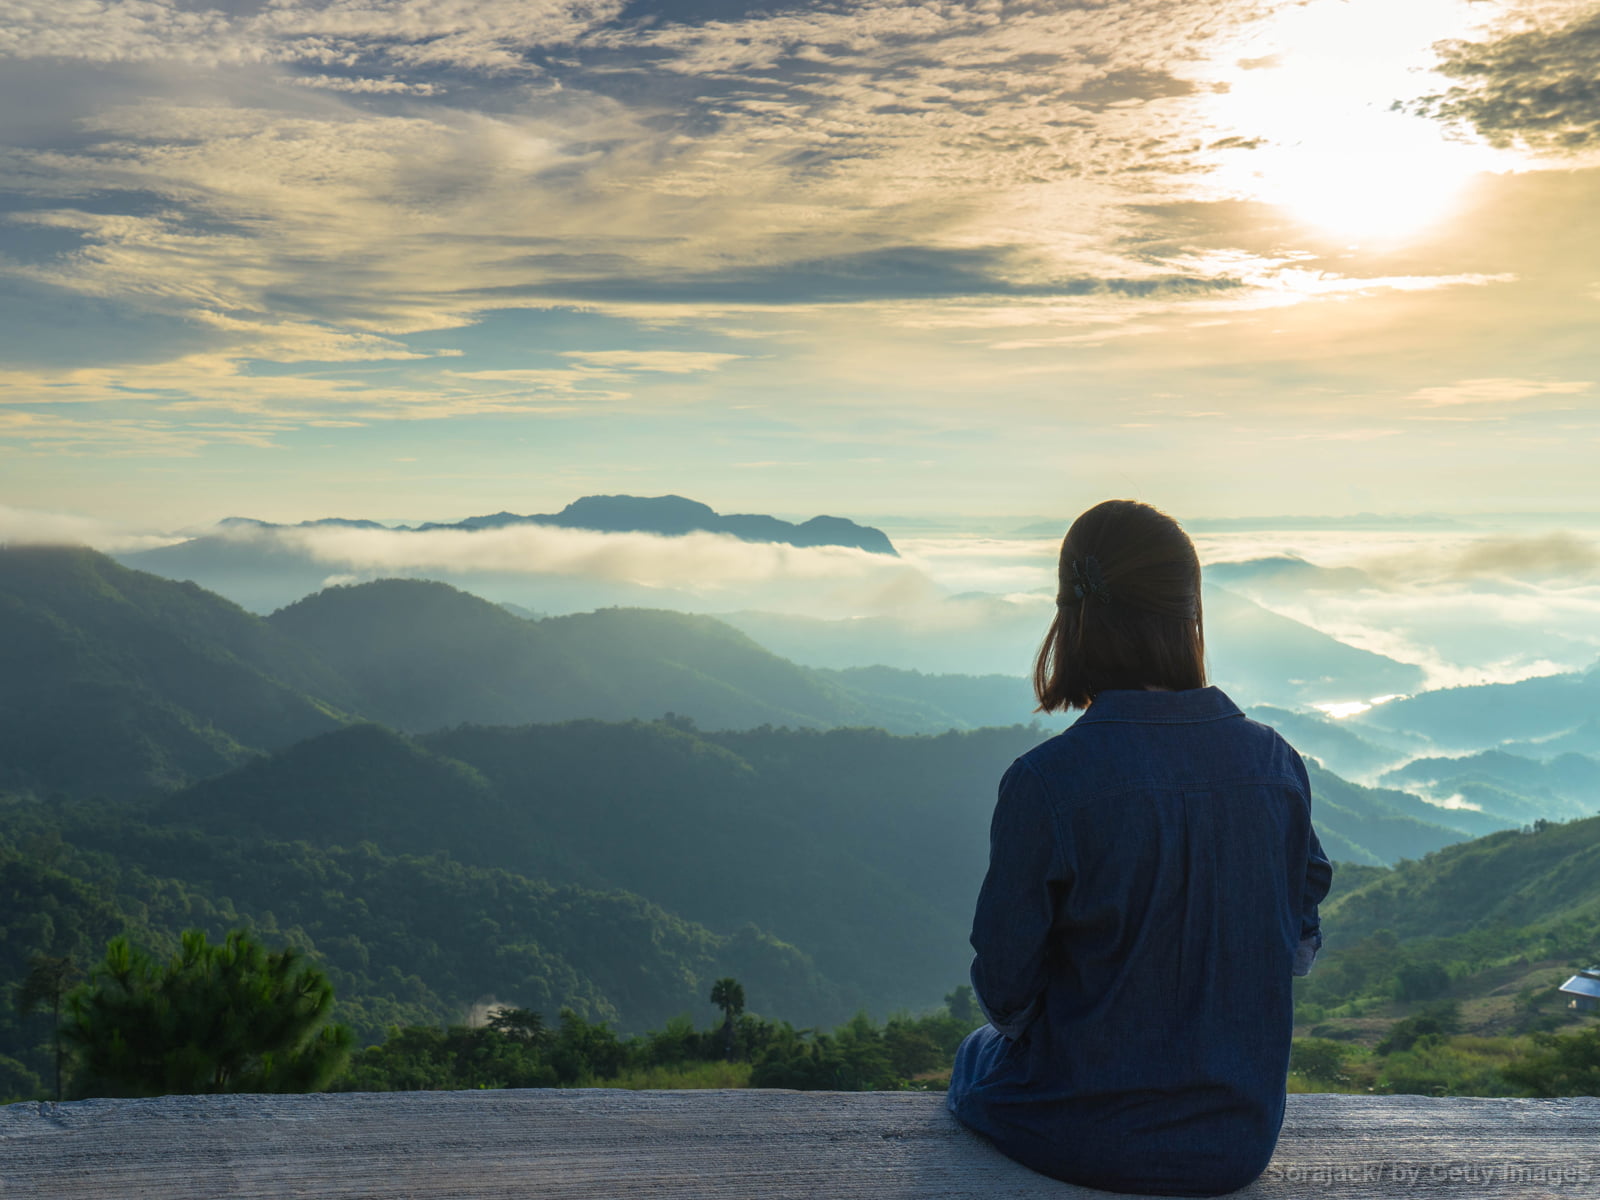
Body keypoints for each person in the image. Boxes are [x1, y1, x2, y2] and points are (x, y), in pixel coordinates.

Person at [946, 499, 1333, 1197]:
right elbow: (1300, 932)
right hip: (1236, 1142)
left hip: (1084, 1136)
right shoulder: (1276, 764)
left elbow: (1006, 988)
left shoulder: (1047, 783)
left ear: (1073, 616)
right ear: (1191, 615)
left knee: (974, 1054)